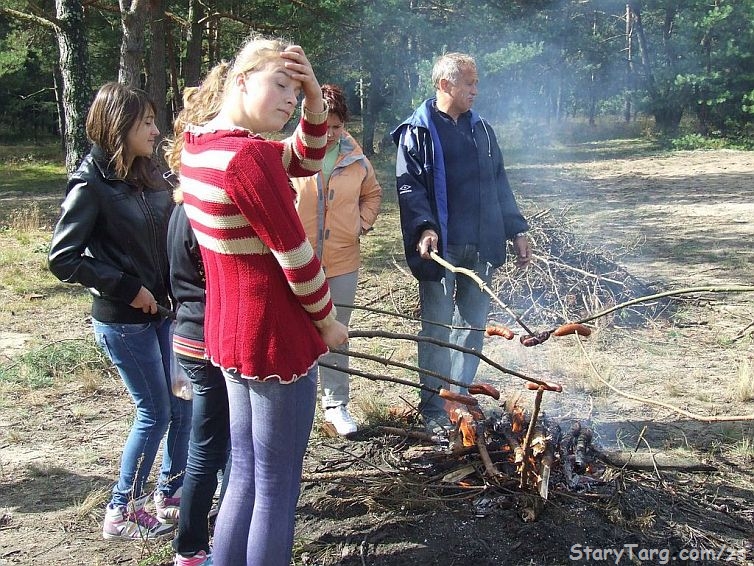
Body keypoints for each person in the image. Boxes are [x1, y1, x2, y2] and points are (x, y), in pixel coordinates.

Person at [165, 35, 348, 566]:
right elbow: (296, 257)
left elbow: (301, 158)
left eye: (297, 90)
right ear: (241, 80)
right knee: (276, 485)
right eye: (282, 85)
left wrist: (315, 99)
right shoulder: (247, 159)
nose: (292, 99)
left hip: (227, 332)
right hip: (274, 338)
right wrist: (330, 325)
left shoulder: (203, 143)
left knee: (244, 472)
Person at [48, 82, 191, 540]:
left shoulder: (149, 173)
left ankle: (168, 495)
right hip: (124, 322)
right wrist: (128, 288)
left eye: (154, 120)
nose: (155, 129)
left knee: (182, 404)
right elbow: (62, 259)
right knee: (155, 413)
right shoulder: (91, 183)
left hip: (164, 314)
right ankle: (120, 512)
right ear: (121, 125)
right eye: (146, 122)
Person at [391, 52, 532, 433]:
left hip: (480, 244)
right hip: (441, 249)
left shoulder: (482, 130)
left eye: (476, 82)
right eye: (469, 83)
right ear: (445, 85)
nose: (476, 90)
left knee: (473, 326)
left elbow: (500, 183)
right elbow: (409, 189)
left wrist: (516, 229)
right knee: (437, 327)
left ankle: (459, 399)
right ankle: (434, 409)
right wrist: (425, 227)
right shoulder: (416, 132)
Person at [291, 84, 382, 437]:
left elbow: (372, 194)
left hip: (343, 261)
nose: (329, 134)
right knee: (296, 334)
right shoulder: (291, 154)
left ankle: (335, 405)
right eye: (323, 125)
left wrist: (361, 223)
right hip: (297, 263)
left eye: (336, 126)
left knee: (336, 333)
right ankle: (296, 403)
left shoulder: (355, 157)